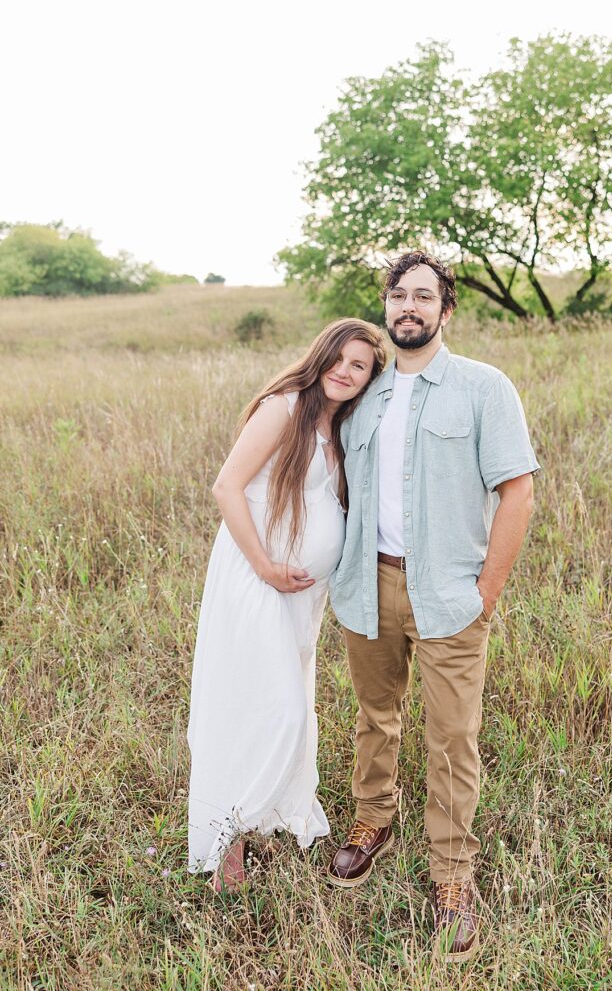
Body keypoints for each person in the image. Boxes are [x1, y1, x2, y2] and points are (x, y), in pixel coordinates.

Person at [327, 252, 540, 963]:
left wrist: (487, 592)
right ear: (385, 309)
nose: (408, 306)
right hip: (369, 583)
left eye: (423, 295)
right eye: (397, 295)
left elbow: (517, 491)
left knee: (452, 738)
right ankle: (371, 823)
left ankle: (452, 877)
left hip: (450, 593)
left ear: (445, 311)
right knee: (374, 716)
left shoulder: (484, 388)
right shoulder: (362, 391)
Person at [187, 318, 386, 892]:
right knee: (268, 707)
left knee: (278, 701)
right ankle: (225, 838)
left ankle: (254, 820)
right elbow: (228, 486)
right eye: (339, 359)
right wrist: (266, 567)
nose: (345, 372)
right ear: (319, 354)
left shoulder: (337, 424)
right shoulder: (285, 406)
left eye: (360, 366)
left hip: (302, 596)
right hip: (257, 579)